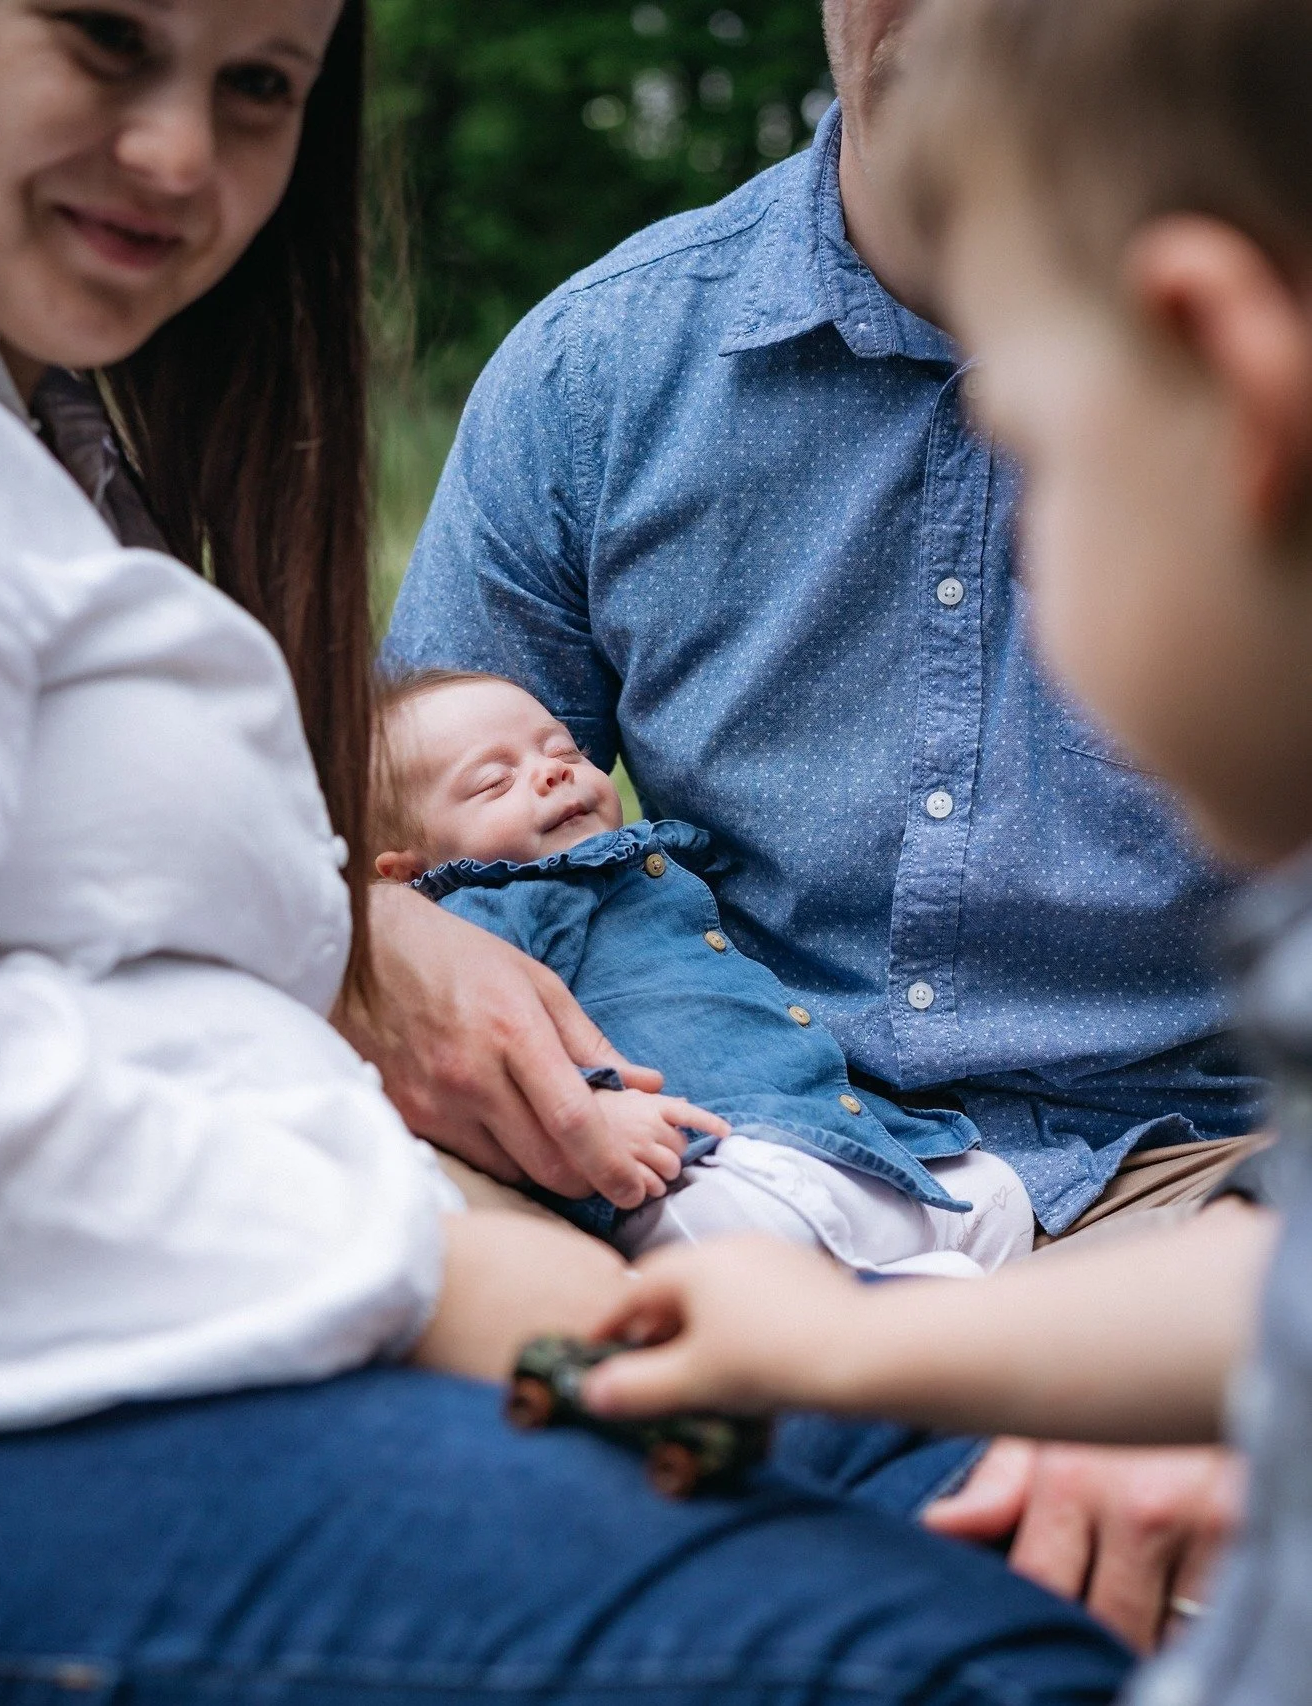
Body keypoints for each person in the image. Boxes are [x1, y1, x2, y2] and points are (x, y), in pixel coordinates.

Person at [0, 1, 1132, 1698]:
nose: (176, 154)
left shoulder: (52, 434)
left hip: (1117, 1186)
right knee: (960, 1653)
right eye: (101, 42)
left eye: (261, 85)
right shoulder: (606, 366)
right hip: (549, 1220)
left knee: (1047, 1554)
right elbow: (428, 793)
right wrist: (434, 1225)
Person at [369, 0, 1260, 1641]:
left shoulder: (1233, 353)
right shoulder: (604, 364)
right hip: (717, 1138)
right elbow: (397, 813)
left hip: (1194, 1164)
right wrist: (390, 938)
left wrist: (1258, 1344)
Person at [371, 668, 1034, 1273]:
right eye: (493, 781)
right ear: (405, 873)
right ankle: (874, 1302)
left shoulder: (655, 863)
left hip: (830, 1135)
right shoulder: (482, 916)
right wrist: (598, 1100)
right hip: (704, 1156)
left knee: (996, 1192)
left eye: (563, 751)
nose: (551, 773)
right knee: (736, 1230)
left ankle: (902, 1293)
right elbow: (500, 1040)